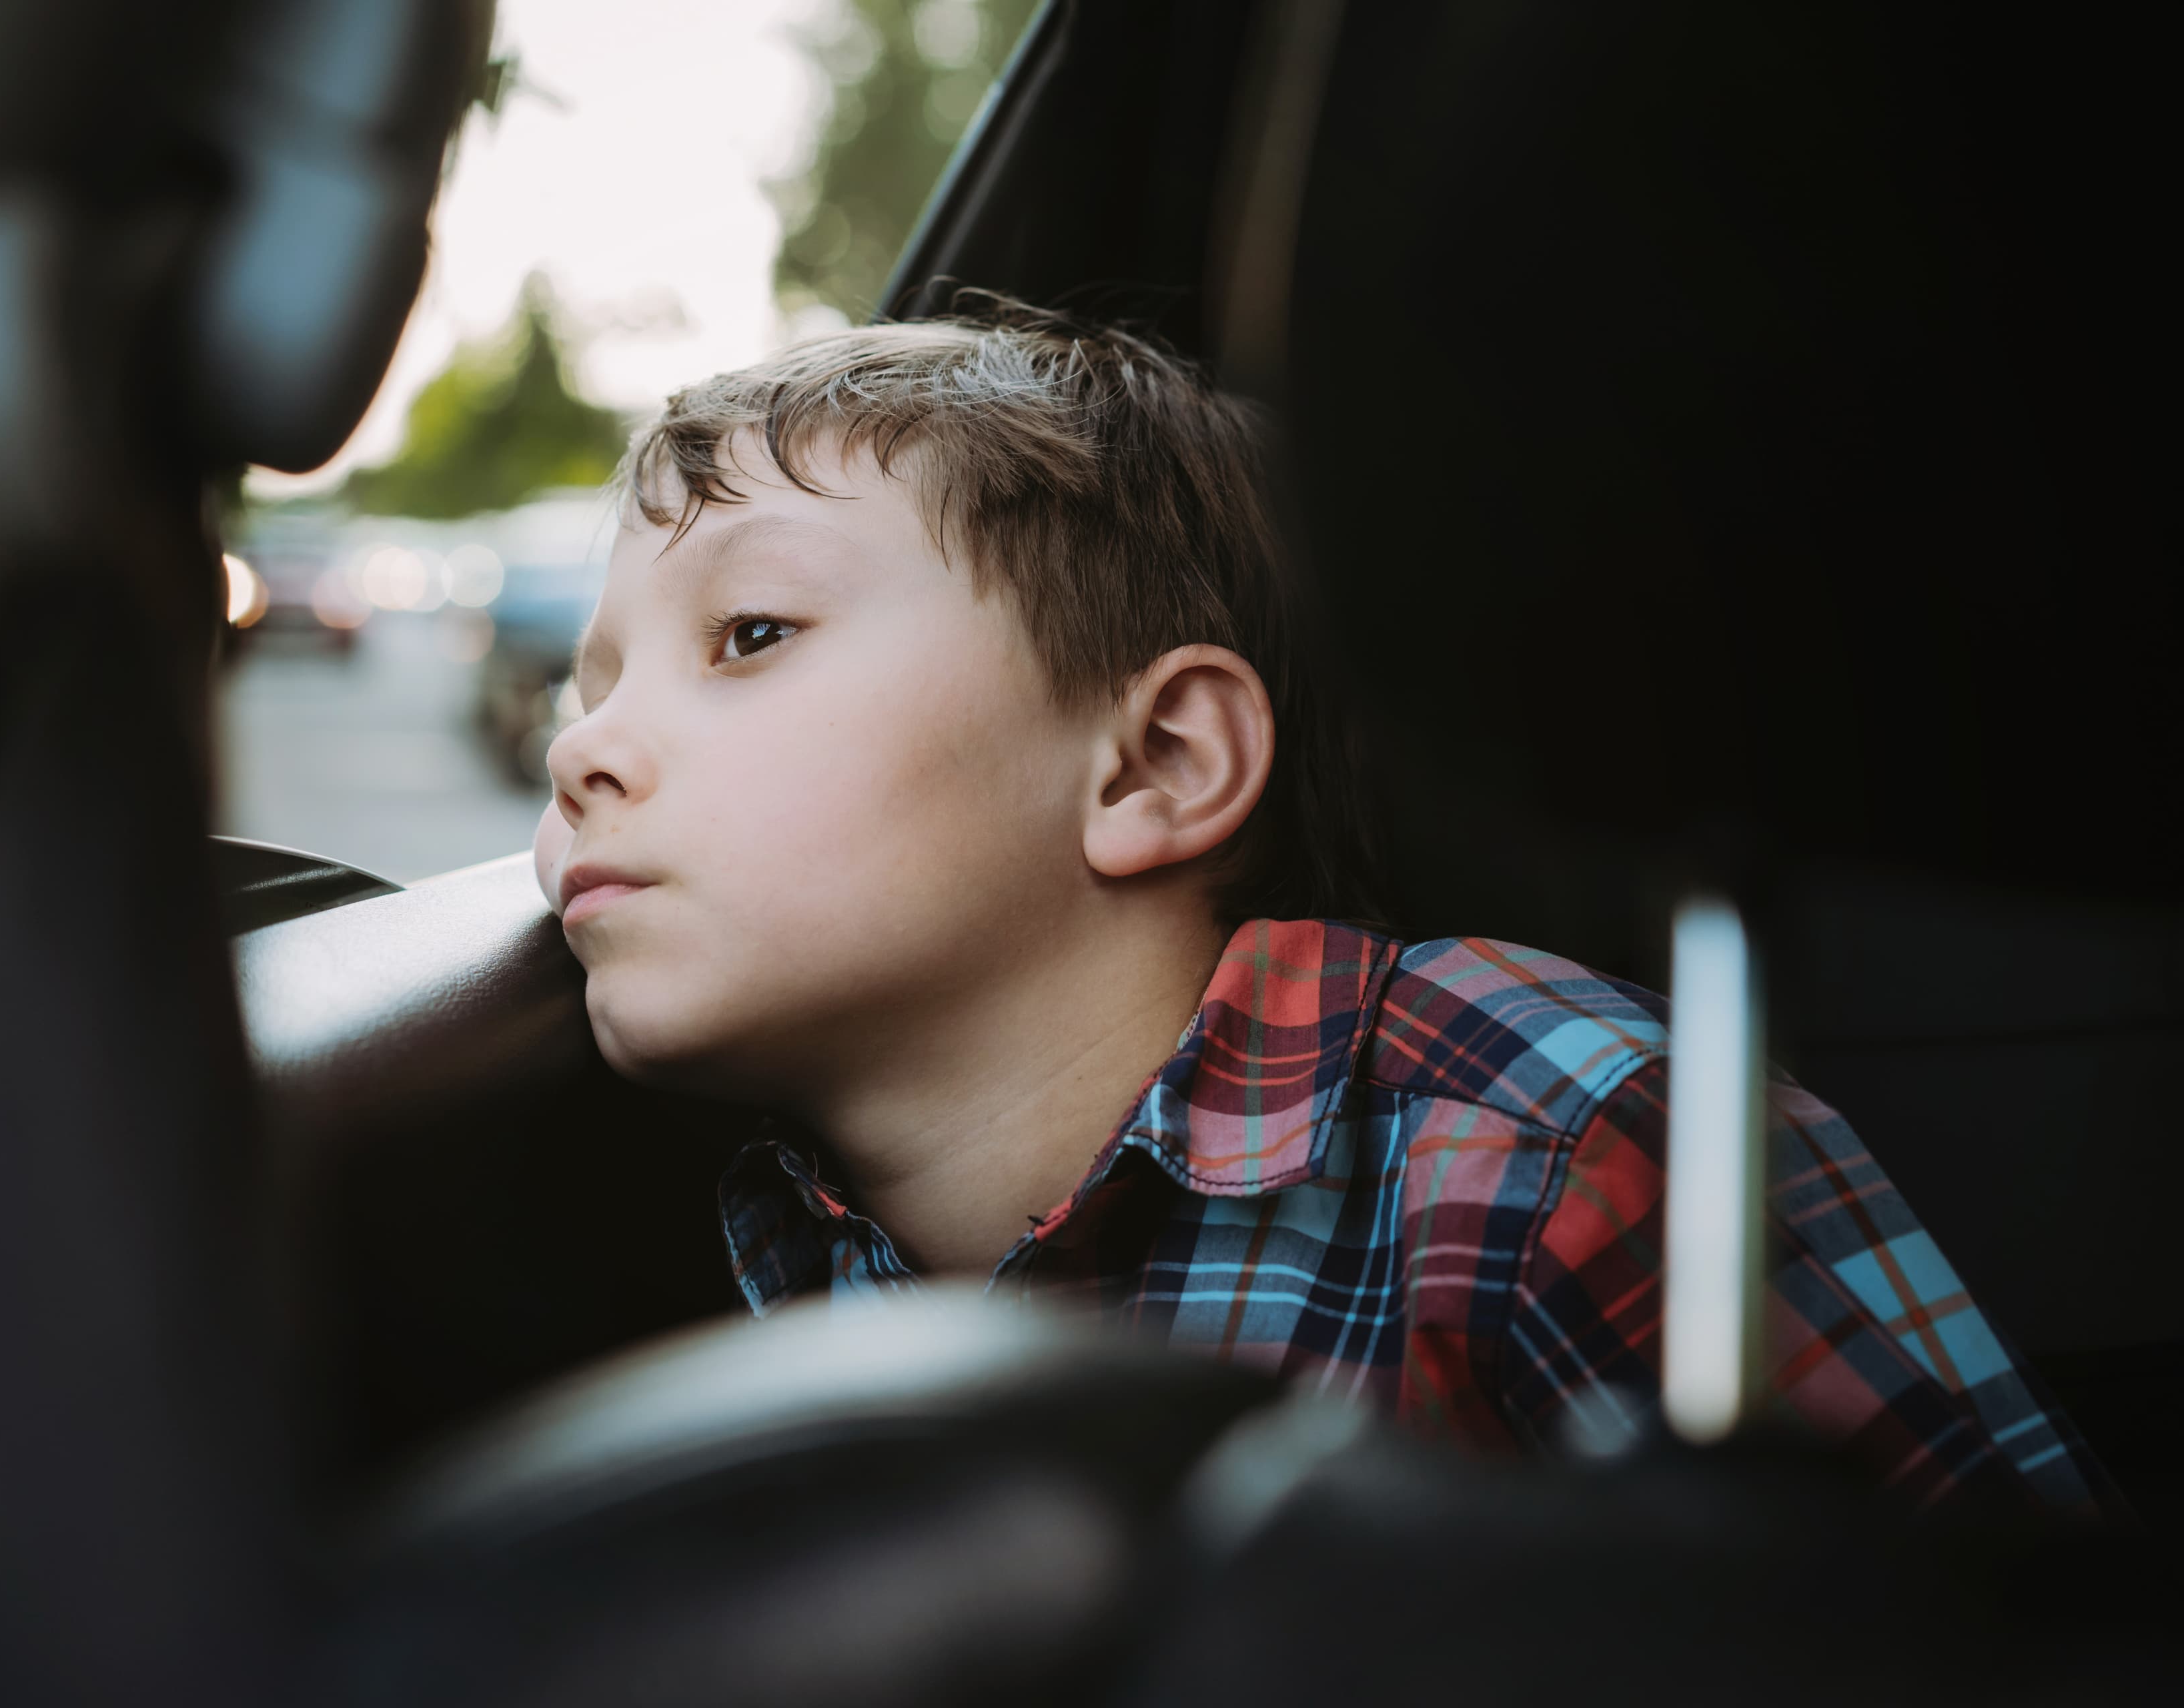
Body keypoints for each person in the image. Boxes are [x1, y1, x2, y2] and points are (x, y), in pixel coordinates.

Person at [530, 300, 2105, 1513]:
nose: (581, 744)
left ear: (1153, 762)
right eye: (588, 681)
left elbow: (2001, 1630)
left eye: (747, 631)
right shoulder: (769, 1242)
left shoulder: (1558, 1142)